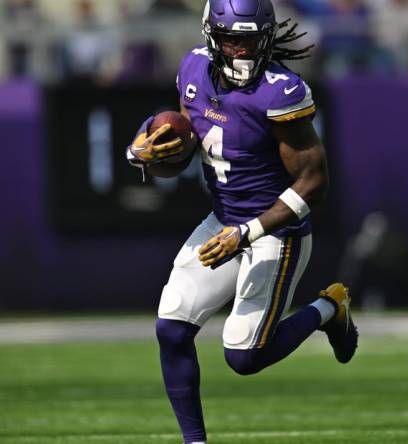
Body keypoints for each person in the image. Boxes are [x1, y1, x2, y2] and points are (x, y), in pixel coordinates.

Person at [125, 1, 358, 443]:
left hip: (275, 232)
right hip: (223, 220)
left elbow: (314, 183)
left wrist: (247, 233)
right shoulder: (193, 70)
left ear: (266, 36)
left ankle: (329, 308)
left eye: (250, 40)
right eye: (232, 39)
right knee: (171, 327)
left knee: (244, 357)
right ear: (212, 36)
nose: (241, 51)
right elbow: (185, 148)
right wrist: (142, 154)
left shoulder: (279, 92)